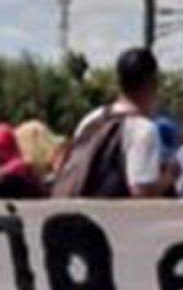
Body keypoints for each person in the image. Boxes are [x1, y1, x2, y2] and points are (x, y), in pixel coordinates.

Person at [51, 47, 169, 199]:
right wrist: (169, 177)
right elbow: (141, 192)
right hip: (112, 213)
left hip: (75, 209)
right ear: (151, 84)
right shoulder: (143, 130)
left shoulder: (92, 119)